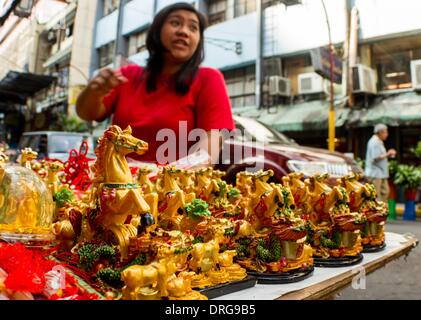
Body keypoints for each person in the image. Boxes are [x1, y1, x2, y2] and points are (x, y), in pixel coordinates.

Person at [76, 2, 234, 166]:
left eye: (193, 28)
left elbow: (208, 148)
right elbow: (87, 114)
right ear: (157, 31)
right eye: (175, 23)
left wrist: (163, 177)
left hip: (172, 187)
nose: (184, 31)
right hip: (116, 184)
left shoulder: (208, 78)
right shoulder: (127, 75)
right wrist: (94, 91)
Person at [364, 123, 397, 202]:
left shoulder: (379, 141)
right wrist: (388, 153)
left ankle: (382, 212)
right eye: (386, 132)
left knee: (385, 192)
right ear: (380, 132)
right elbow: (375, 157)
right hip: (375, 174)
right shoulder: (374, 142)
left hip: (380, 173)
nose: (387, 134)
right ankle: (378, 213)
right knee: (376, 196)